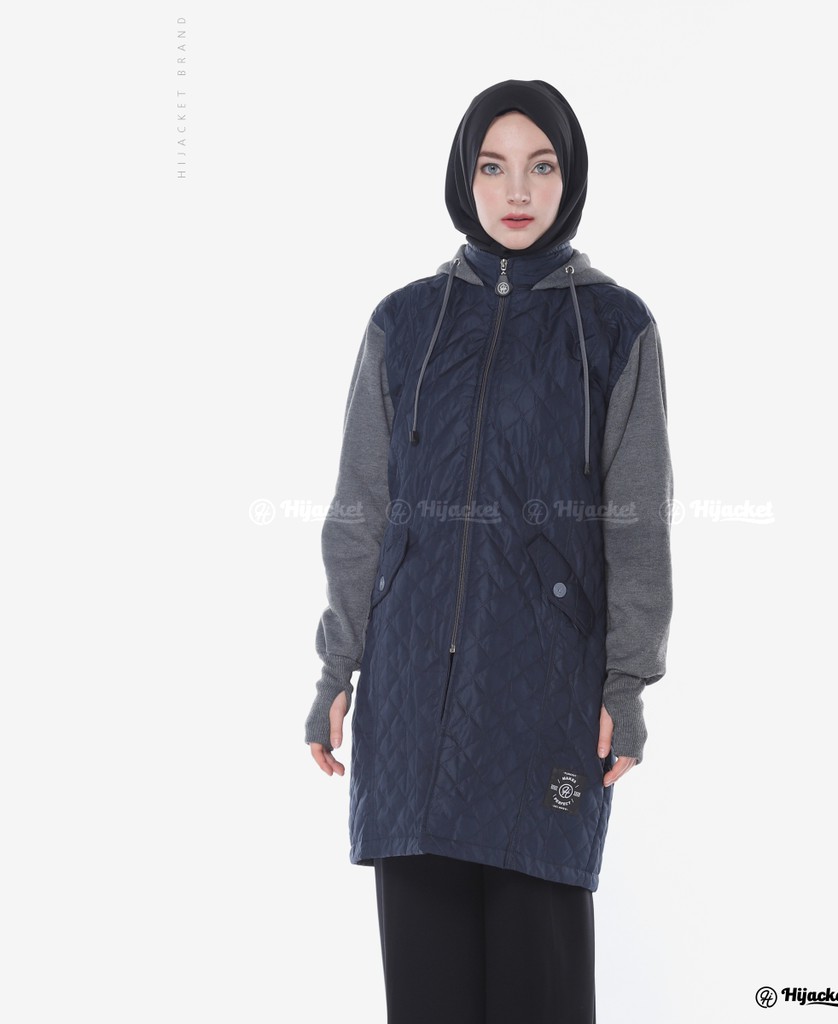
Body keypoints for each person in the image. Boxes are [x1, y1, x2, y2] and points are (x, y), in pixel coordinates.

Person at [304, 79, 674, 1024]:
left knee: (539, 996)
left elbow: (637, 522)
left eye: (541, 166)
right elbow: (361, 507)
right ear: (463, 180)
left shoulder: (615, 328)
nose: (517, 190)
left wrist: (626, 686)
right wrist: (337, 669)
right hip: (410, 709)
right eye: (493, 166)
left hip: (544, 704)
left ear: (570, 178)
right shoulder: (404, 324)